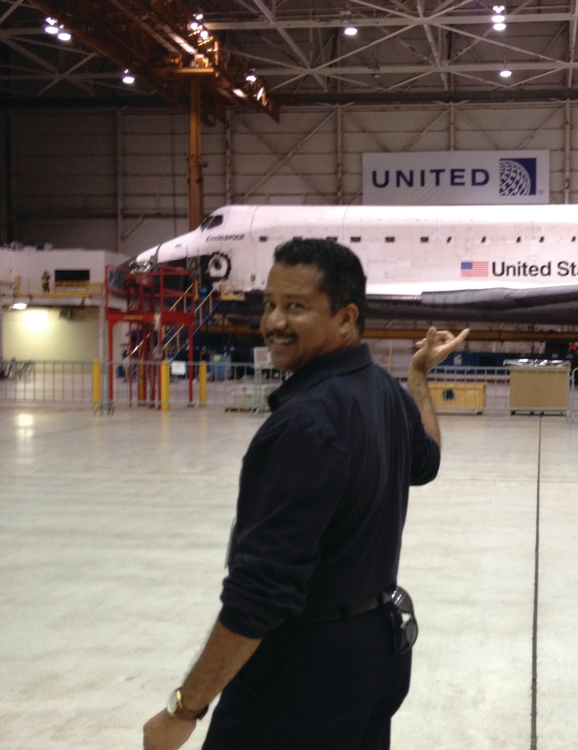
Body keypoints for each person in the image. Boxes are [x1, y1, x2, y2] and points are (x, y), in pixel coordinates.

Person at [143, 238, 469, 750]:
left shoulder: (305, 425)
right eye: (270, 304)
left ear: (346, 318)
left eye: (296, 307)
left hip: (305, 671)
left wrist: (185, 709)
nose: (274, 321)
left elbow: (260, 594)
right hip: (375, 652)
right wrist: (418, 378)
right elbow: (427, 459)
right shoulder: (381, 391)